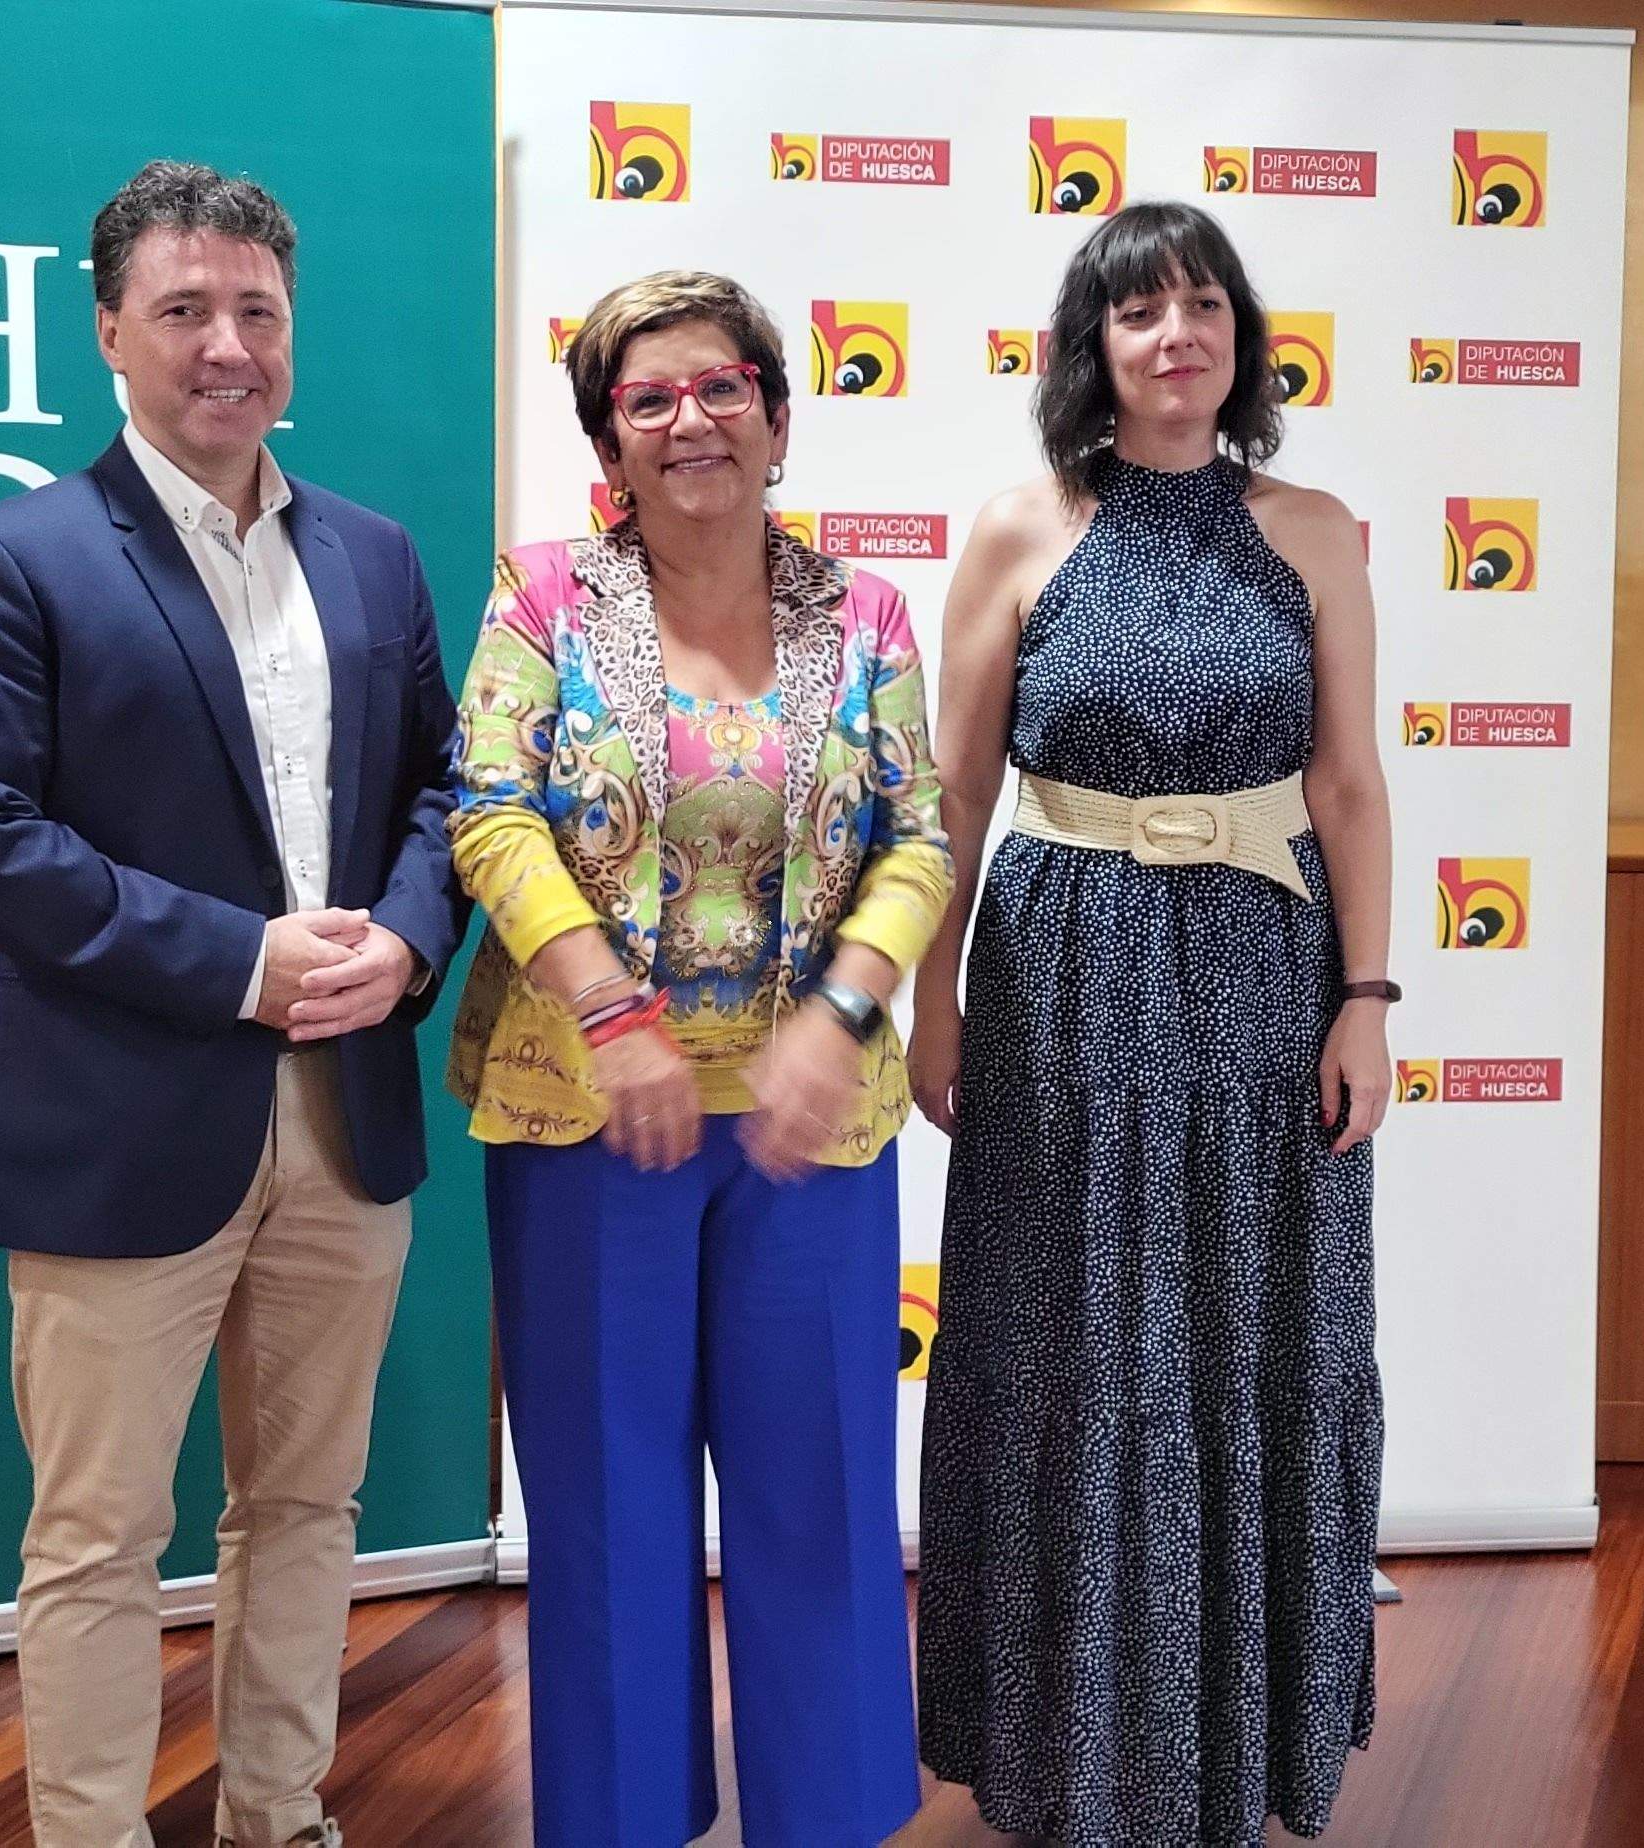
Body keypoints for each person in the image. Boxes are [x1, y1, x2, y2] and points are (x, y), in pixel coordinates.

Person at [0, 160, 465, 1848]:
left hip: (345, 1121)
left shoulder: (374, 556)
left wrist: (412, 945)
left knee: (305, 1509)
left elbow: (448, 791)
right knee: (94, 1539)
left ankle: (279, 1819)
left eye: (258, 313)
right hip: (126, 1120)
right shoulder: (13, 557)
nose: (228, 346)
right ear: (110, 333)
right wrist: (240, 960)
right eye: (185, 311)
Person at [908, 200, 1399, 1845]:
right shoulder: (1020, 528)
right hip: (1060, 987)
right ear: (1091, 348)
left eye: (1203, 306)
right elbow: (958, 795)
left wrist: (1371, 1001)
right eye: (1140, 314)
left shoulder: (1317, 529)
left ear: (1242, 337)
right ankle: (1062, 1749)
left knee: (1250, 1339)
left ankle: (1243, 1741)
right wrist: (930, 992)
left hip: (1265, 981)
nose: (1176, 335)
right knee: (1072, 1339)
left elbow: (1346, 784)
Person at [447, 268, 947, 1848]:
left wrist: (845, 1010)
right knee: (606, 1521)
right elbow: (490, 811)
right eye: (648, 398)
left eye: (722, 386)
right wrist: (614, 1017)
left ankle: (831, 1819)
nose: (691, 420)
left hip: (814, 1130)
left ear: (778, 415)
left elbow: (922, 838)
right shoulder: (539, 599)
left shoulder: (860, 611)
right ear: (610, 437)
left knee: (824, 1514)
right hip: (590, 1120)